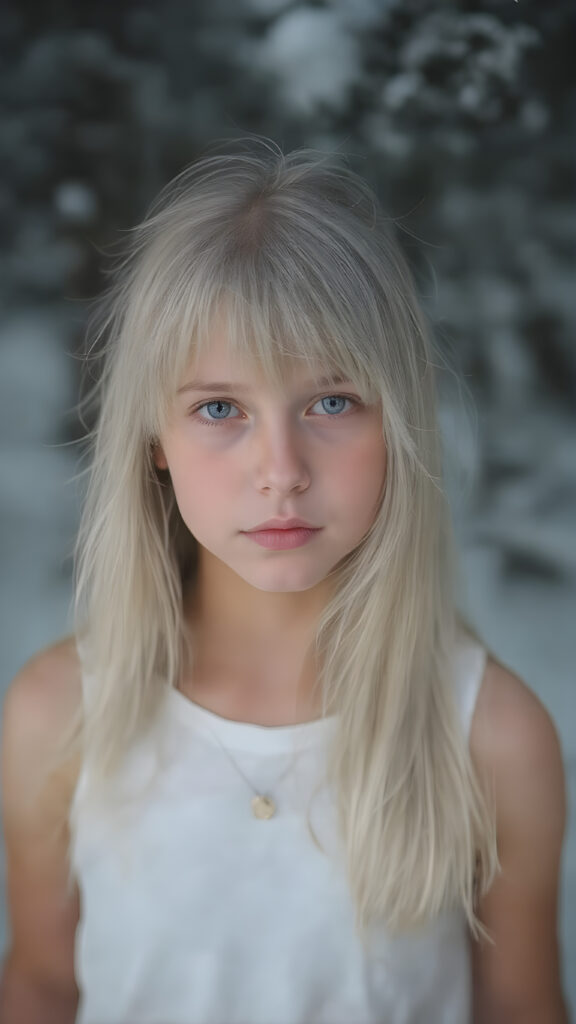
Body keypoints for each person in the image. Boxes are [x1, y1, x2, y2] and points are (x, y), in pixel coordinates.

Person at [0, 138, 569, 1024]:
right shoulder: (58, 713)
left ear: (399, 421)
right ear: (154, 436)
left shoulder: (491, 737)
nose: (281, 469)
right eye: (220, 409)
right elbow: (40, 983)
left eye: (332, 402)